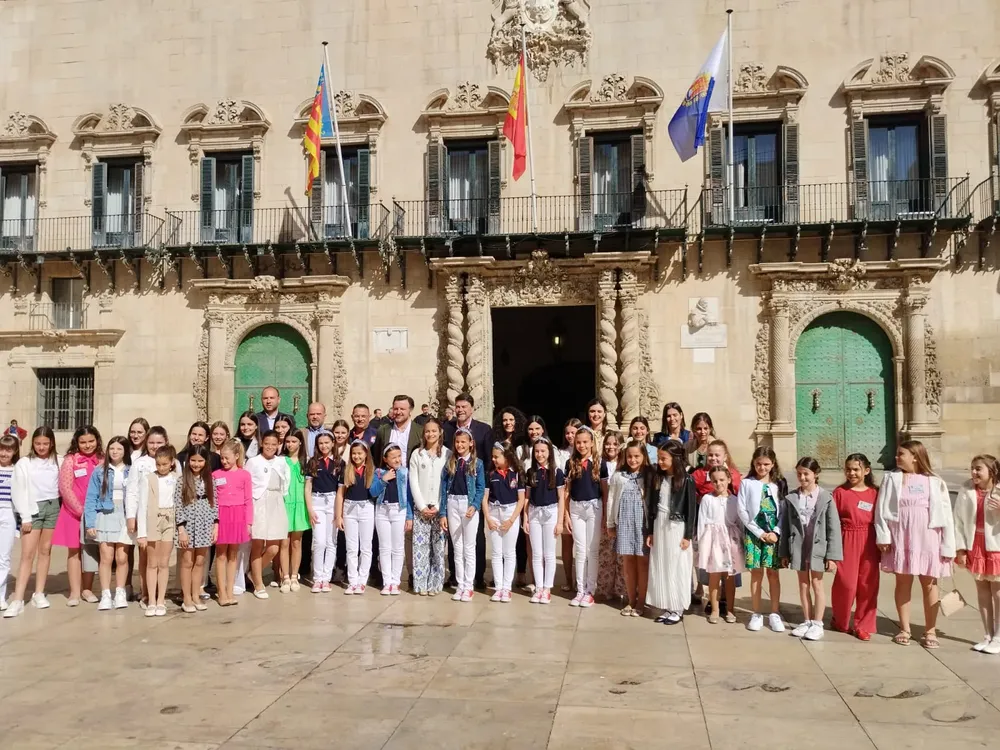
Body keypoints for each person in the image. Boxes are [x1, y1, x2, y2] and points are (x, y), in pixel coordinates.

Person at [875, 440, 954, 649]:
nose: (896, 457)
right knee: (903, 582)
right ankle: (904, 628)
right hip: (901, 536)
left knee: (929, 584)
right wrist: (883, 535)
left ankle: (930, 630)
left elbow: (946, 515)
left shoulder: (934, 481)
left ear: (915, 457)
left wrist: (948, 545)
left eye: (901, 454)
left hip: (928, 537)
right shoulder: (891, 479)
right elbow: (881, 508)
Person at [780, 457, 842, 641]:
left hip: (818, 546)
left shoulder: (825, 498)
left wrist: (832, 556)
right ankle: (806, 620)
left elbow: (833, 528)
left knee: (817, 583)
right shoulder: (792, 497)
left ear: (815, 474)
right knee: (803, 584)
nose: (803, 477)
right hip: (799, 544)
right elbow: (786, 527)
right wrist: (784, 552)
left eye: (806, 473)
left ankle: (817, 622)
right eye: (799, 473)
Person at [6, 427, 63, 618]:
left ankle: (39, 592)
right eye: (38, 443)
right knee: (27, 554)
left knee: (45, 550)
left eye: (45, 444)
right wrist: (26, 516)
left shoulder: (58, 461)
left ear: (52, 443)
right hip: (32, 509)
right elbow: (18, 490)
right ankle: (18, 599)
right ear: (33, 444)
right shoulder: (24, 463)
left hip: (53, 506)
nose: (41, 447)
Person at [443, 393, 492, 590]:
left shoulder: (483, 430)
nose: (461, 410)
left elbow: (488, 461)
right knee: (455, 540)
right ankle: (456, 577)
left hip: (472, 493)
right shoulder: (447, 429)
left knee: (474, 538)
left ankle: (476, 577)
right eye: (458, 406)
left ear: (472, 408)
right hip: (453, 492)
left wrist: (481, 496)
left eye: (464, 406)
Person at [645, 441, 697, 625]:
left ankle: (678, 607)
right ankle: (667, 605)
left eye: (663, 458)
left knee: (677, 565)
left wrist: (688, 535)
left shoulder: (686, 480)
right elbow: (652, 505)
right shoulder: (658, 478)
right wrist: (651, 531)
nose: (660, 462)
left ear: (674, 459)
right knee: (662, 564)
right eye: (659, 458)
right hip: (660, 524)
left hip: (677, 526)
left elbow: (691, 510)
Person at [831, 453, 880, 641]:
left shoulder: (874, 493)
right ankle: (841, 620)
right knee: (846, 583)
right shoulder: (840, 492)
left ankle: (863, 625)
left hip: (869, 539)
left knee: (868, 584)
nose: (851, 473)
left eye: (856, 469)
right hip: (846, 539)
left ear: (866, 471)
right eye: (848, 469)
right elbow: (832, 522)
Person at [738, 446, 787, 633]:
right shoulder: (747, 483)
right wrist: (759, 533)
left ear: (773, 464)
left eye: (766, 464)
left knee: (773, 574)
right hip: (754, 533)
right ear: (753, 463)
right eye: (758, 464)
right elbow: (742, 511)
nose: (762, 468)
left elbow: (783, 510)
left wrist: (776, 531)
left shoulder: (779, 484)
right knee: (757, 573)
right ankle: (756, 612)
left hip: (773, 534)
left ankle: (774, 613)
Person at [955, 454, 1000, 654]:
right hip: (976, 545)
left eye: (978, 468)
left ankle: (999, 637)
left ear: (992, 471)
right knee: (982, 592)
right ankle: (987, 635)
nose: (973, 472)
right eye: (972, 468)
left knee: (998, 593)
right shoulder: (966, 490)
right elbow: (958, 522)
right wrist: (961, 548)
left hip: (996, 546)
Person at [54, 426, 103, 607]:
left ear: (97, 440)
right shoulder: (71, 460)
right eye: (83, 442)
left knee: (90, 550)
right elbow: (65, 488)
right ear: (77, 442)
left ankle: (87, 589)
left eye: (91, 441)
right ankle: (74, 591)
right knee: (74, 551)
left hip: (95, 513)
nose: (87, 445)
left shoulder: (102, 459)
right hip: (73, 512)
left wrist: (93, 513)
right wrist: (81, 511)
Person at [124, 425, 172, 608]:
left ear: (166, 442)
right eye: (151, 442)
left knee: (162, 557)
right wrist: (131, 516)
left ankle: (160, 594)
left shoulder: (172, 463)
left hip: (165, 516)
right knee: (145, 555)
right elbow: (132, 491)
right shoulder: (140, 463)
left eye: (159, 442)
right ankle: (146, 594)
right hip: (145, 515)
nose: (154, 446)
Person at [84, 435, 133, 611]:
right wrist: (90, 523)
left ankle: (120, 591)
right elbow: (91, 498)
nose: (115, 452)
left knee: (122, 557)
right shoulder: (99, 471)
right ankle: (105, 593)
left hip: (125, 514)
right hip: (105, 514)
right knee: (106, 557)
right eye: (112, 448)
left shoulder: (130, 470)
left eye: (119, 449)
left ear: (125, 451)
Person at [439, 427, 486, 602]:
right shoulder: (450, 462)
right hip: (452, 502)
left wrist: (474, 505)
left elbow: (481, 488)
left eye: (463, 442)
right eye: (457, 442)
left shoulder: (477, 463)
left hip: (468, 504)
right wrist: (443, 512)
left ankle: (469, 585)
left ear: (471, 443)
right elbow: (444, 489)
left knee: (469, 547)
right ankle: (460, 584)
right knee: (456, 546)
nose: (460, 445)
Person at [606, 440, 650, 617]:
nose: (633, 460)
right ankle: (631, 599)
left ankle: (642, 601)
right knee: (628, 563)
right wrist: (610, 523)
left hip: (642, 524)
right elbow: (611, 500)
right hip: (624, 522)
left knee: (643, 563)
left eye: (637, 456)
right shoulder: (618, 476)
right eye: (630, 456)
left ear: (644, 456)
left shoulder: (648, 475)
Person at [174, 444, 219, 613]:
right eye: (193, 460)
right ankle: (186, 597)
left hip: (204, 522)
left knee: (200, 561)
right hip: (188, 523)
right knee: (187, 561)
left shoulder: (210, 479)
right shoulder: (182, 481)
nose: (196, 464)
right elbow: (178, 505)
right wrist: (181, 529)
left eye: (200, 461)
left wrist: (215, 525)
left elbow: (214, 503)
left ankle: (195, 594)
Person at [137, 445, 180, 617]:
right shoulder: (149, 478)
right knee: (152, 563)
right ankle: (151, 600)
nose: (161, 468)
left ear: (171, 463)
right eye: (158, 464)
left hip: (169, 520)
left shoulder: (176, 478)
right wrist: (142, 533)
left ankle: (161, 600)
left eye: (164, 464)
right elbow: (142, 505)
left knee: (164, 563)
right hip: (152, 520)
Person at [565, 426, 607, 608]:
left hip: (593, 507)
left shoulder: (599, 463)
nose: (581, 445)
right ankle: (580, 589)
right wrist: (566, 514)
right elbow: (567, 491)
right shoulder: (570, 463)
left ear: (591, 443)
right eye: (578, 442)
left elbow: (605, 492)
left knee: (592, 549)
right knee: (580, 550)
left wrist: (605, 515)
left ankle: (591, 590)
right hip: (576, 508)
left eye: (585, 442)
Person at [697, 465, 744, 624]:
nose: (719, 484)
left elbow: (739, 521)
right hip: (713, 540)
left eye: (722, 480)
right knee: (714, 575)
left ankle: (730, 608)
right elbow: (702, 521)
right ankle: (715, 609)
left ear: (729, 480)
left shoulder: (735, 500)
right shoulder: (707, 499)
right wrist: (702, 543)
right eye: (715, 481)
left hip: (731, 539)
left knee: (730, 576)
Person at [246, 431, 290, 598]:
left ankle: (253, 573)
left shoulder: (281, 461)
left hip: (276, 501)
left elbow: (286, 481)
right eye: (267, 443)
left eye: (274, 444)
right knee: (257, 545)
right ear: (262, 443)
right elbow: (248, 485)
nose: (270, 447)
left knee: (273, 548)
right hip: (259, 502)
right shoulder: (253, 462)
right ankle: (258, 583)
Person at [408, 418, 450, 596]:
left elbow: (448, 483)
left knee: (438, 549)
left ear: (440, 432)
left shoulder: (448, 454)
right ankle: (421, 584)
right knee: (421, 548)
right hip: (422, 510)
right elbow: (414, 481)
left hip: (440, 509)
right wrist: (422, 506)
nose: (430, 434)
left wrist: (440, 507)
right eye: (427, 431)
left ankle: (435, 584)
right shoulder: (417, 454)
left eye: (434, 431)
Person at [524, 437, 565, 605]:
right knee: (536, 553)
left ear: (549, 453)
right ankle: (539, 587)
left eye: (543, 451)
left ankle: (547, 588)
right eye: (537, 451)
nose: (540, 454)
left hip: (551, 512)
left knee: (549, 553)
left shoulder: (556, 472)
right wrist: (525, 518)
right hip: (534, 513)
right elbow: (527, 497)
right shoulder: (530, 472)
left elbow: (561, 497)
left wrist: (560, 521)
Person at [212, 439, 252, 607]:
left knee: (233, 554)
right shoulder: (215, 475)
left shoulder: (244, 475)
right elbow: (212, 499)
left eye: (227, 458)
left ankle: (230, 590)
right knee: (221, 554)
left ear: (236, 456)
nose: (224, 461)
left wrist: (249, 522)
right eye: (222, 458)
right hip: (222, 515)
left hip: (238, 515)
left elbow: (248, 500)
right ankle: (221, 591)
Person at [484, 442, 525, 603]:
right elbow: (485, 498)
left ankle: (507, 587)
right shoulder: (491, 474)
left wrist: (511, 520)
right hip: (494, 512)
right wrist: (488, 517)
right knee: (496, 552)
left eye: (497, 456)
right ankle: (498, 586)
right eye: (492, 456)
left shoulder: (517, 474)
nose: (493, 459)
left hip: (510, 513)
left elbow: (521, 500)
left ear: (507, 456)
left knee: (509, 552)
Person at [336, 440, 377, 595]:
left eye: (360, 453)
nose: (356, 456)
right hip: (350, 509)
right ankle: (352, 581)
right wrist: (339, 516)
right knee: (351, 547)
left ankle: (362, 580)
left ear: (366, 454)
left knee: (366, 547)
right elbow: (340, 494)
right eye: (354, 453)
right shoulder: (347, 470)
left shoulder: (372, 471)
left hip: (366, 507)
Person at [371, 444, 411, 596]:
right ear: (385, 459)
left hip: (398, 511)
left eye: (399, 456)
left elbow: (408, 495)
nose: (397, 459)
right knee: (384, 547)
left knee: (398, 547)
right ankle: (386, 581)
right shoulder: (379, 472)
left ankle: (396, 581)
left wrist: (409, 516)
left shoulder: (405, 472)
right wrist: (384, 480)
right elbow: (373, 492)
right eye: (393, 457)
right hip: (382, 511)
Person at [595, 430, 626, 603]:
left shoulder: (625, 464)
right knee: (606, 552)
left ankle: (621, 588)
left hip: (622, 512)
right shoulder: (600, 463)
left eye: (615, 443)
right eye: (608, 443)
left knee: (622, 554)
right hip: (604, 511)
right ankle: (605, 588)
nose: (611, 447)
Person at [306, 432, 339, 593]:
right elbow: (308, 487)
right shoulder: (313, 462)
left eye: (327, 442)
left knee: (331, 541)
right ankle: (317, 577)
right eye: (320, 443)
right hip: (317, 502)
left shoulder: (339, 463)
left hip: (333, 502)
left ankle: (326, 578)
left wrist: (338, 512)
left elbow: (341, 491)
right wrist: (310, 508)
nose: (324, 446)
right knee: (319, 542)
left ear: (333, 443)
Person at [279, 430, 311, 593]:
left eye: (293, 441)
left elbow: (307, 488)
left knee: (296, 542)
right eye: (288, 441)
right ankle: (284, 577)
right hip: (285, 504)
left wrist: (310, 509)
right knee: (284, 542)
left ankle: (294, 575)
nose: (290, 444)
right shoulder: (281, 461)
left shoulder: (306, 462)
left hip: (300, 506)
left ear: (300, 443)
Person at [556, 418, 581, 593]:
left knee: (581, 543)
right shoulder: (561, 453)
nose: (570, 435)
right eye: (567, 432)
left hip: (581, 500)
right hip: (565, 499)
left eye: (573, 432)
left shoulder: (586, 452)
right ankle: (568, 579)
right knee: (566, 541)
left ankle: (581, 581)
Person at [0, 435, 18, 610]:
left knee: (3, 557)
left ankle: (0, 595)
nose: (4, 453)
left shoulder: (16, 471)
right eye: (2, 449)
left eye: (8, 449)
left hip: (8, 513)